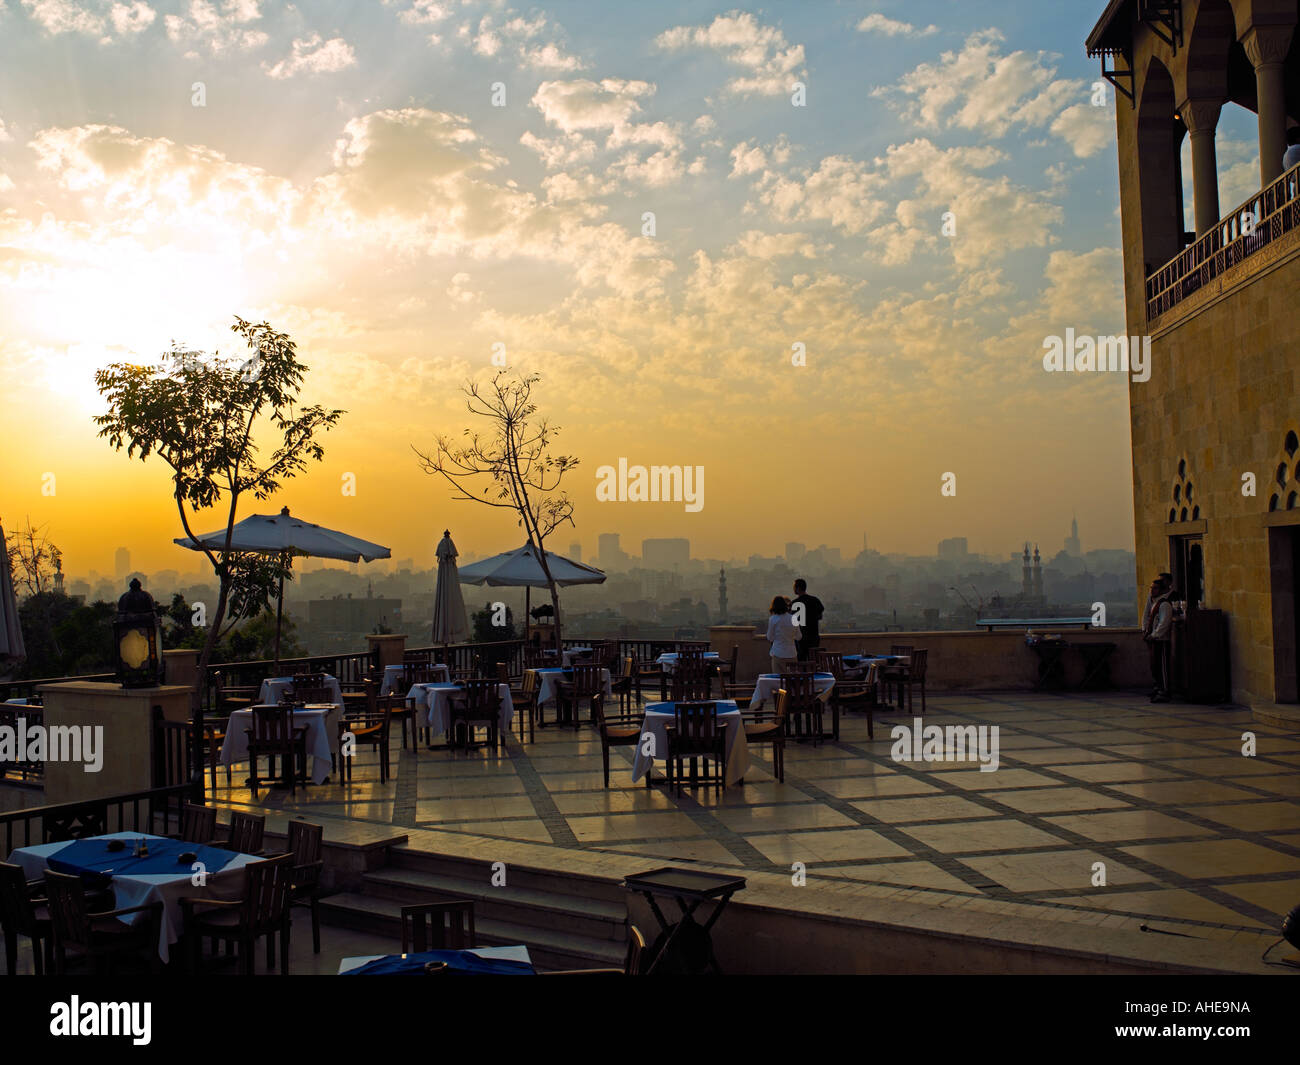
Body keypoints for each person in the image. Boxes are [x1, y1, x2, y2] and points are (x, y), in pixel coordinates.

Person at [1142, 573, 1175, 702]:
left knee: (1162, 667)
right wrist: (1146, 631)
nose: (1152, 591)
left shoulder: (1164, 604)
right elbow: (1147, 616)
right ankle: (1159, 688)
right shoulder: (1156, 603)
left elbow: (1164, 623)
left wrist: (1155, 635)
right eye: (1151, 588)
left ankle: (1164, 691)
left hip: (1161, 640)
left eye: (1155, 588)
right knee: (1155, 666)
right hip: (1154, 639)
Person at [756, 595, 801, 675]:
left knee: (778, 680)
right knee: (793, 680)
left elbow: (770, 637)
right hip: (792, 654)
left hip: (778, 653)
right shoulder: (793, 618)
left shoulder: (773, 619)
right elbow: (799, 637)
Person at [791, 578, 824, 662]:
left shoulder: (795, 603)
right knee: (814, 662)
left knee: (802, 663)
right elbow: (820, 616)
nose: (793, 589)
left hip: (801, 638)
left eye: (794, 587)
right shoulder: (815, 600)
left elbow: (793, 622)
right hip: (814, 637)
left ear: (798, 588)